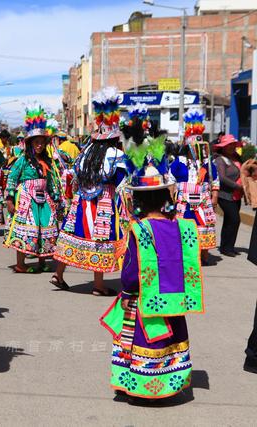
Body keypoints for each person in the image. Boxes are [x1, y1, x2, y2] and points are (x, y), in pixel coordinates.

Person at [100, 137, 203, 402]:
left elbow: (131, 274)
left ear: (138, 199)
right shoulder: (183, 227)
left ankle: (140, 388)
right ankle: (170, 382)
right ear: (166, 195)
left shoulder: (140, 228)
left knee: (141, 344)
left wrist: (126, 291)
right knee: (171, 341)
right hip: (174, 301)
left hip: (144, 303)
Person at [53, 87, 128, 296]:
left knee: (70, 234)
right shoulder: (116, 154)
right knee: (100, 238)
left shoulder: (86, 152)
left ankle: (58, 274)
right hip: (103, 201)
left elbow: (75, 175)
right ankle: (98, 285)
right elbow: (122, 181)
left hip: (82, 201)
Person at [4, 105, 60, 273]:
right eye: (36, 142)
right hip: (26, 198)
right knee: (25, 228)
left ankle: (42, 261)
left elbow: (51, 181)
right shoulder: (22, 160)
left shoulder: (48, 161)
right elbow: (12, 178)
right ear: (30, 143)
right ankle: (21, 264)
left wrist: (56, 198)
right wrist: (9, 200)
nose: (39, 145)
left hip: (44, 199)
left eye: (42, 142)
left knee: (46, 227)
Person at [171, 108, 219, 265]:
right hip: (184, 202)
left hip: (203, 201)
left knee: (204, 225)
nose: (196, 149)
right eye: (193, 146)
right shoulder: (179, 162)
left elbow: (214, 180)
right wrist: (172, 199)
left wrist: (215, 196)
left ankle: (203, 255)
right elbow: (170, 181)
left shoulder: (206, 163)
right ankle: (187, 255)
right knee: (185, 227)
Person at [214, 134, 243, 257]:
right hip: (225, 195)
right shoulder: (220, 159)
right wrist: (238, 186)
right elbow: (222, 177)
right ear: (223, 147)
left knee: (229, 221)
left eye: (232, 145)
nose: (231, 147)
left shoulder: (236, 157)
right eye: (228, 145)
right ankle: (227, 248)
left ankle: (227, 246)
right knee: (235, 219)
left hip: (236, 196)